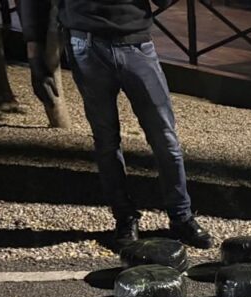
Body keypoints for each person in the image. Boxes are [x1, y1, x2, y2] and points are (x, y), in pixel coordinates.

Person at [20, 0, 214, 251]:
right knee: (106, 141)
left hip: (135, 43)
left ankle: (181, 216)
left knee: (165, 138)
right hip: (85, 45)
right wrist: (35, 56)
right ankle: (125, 218)